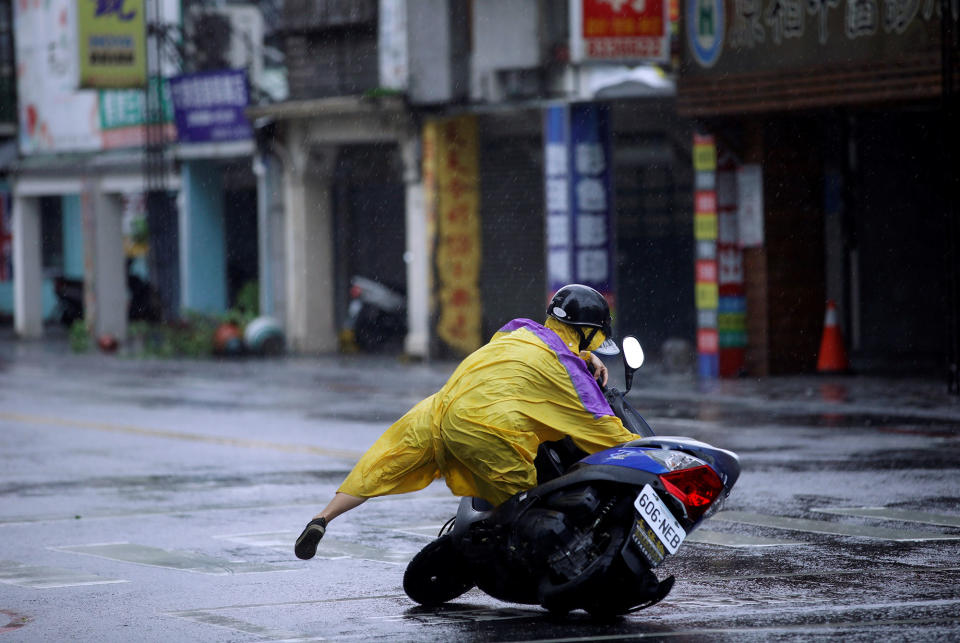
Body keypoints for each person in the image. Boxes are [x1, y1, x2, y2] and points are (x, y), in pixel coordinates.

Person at [295, 284, 645, 560]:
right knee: (525, 506)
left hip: (441, 409)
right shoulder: (569, 372)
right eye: (595, 338)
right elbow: (605, 431)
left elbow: (553, 349)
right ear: (585, 331)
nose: (596, 345)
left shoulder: (519, 331)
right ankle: (529, 565)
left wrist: (586, 356)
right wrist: (656, 456)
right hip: (488, 428)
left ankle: (322, 518)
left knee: (383, 465)